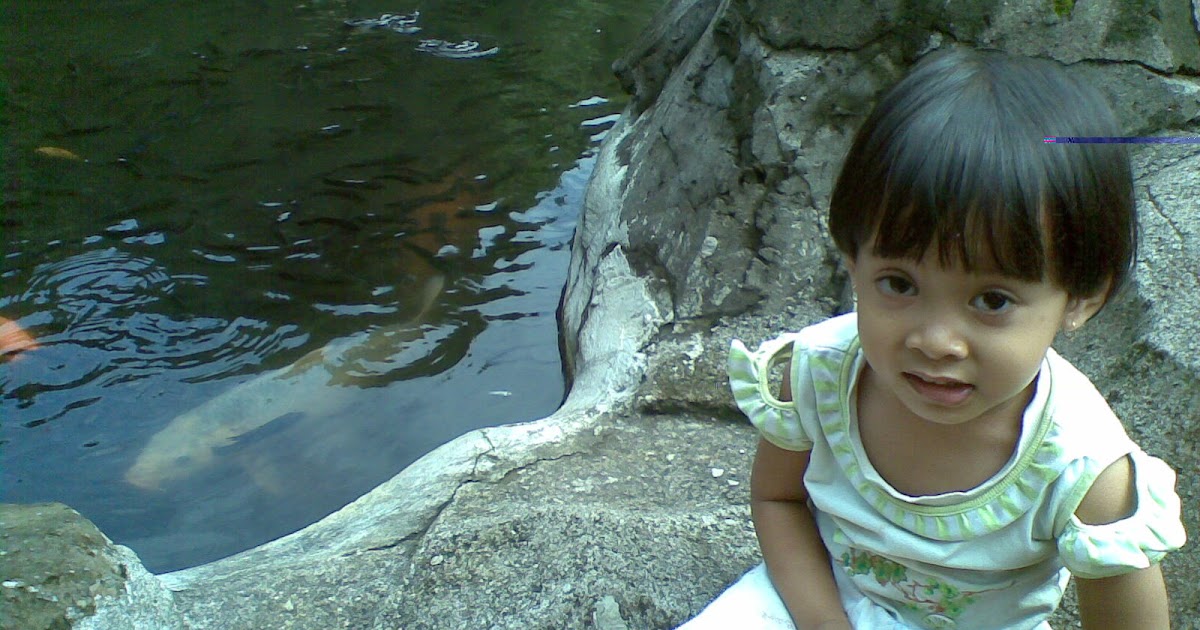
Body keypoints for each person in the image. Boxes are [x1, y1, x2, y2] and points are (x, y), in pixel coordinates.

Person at [680, 47, 1187, 629]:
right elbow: (779, 499)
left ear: (1080, 298)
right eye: (899, 284)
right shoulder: (820, 373)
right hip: (820, 600)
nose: (937, 341)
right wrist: (824, 621)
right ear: (851, 260)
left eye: (992, 300)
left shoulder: (1083, 466)